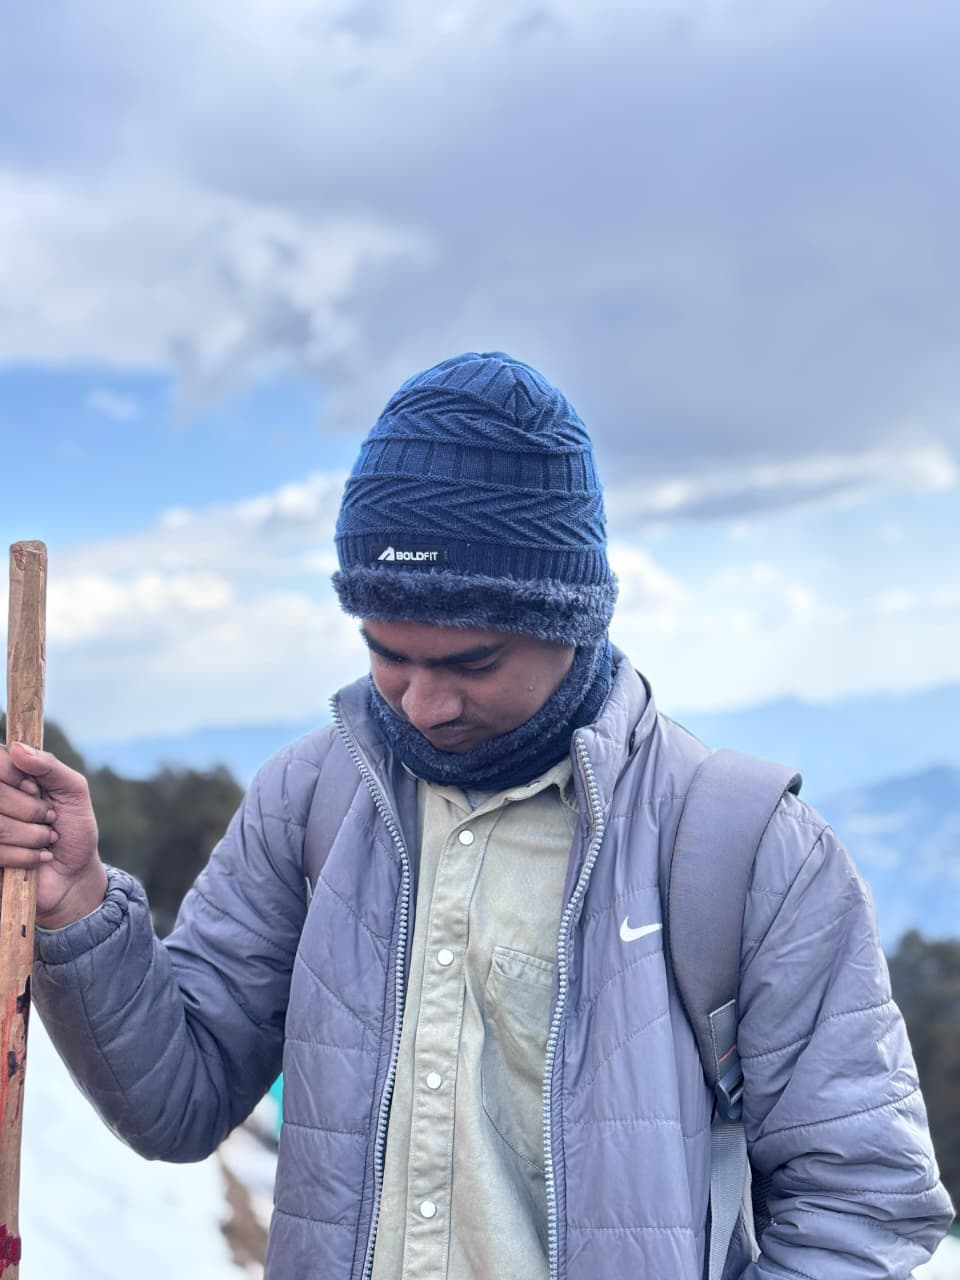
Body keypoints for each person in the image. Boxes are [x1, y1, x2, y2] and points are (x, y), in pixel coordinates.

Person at [0, 352, 953, 1279]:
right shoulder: (310, 800)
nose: (420, 703)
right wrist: (78, 901)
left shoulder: (744, 849)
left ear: (573, 618)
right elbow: (179, 1102)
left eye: (471, 663)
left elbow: (861, 1196)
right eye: (387, 652)